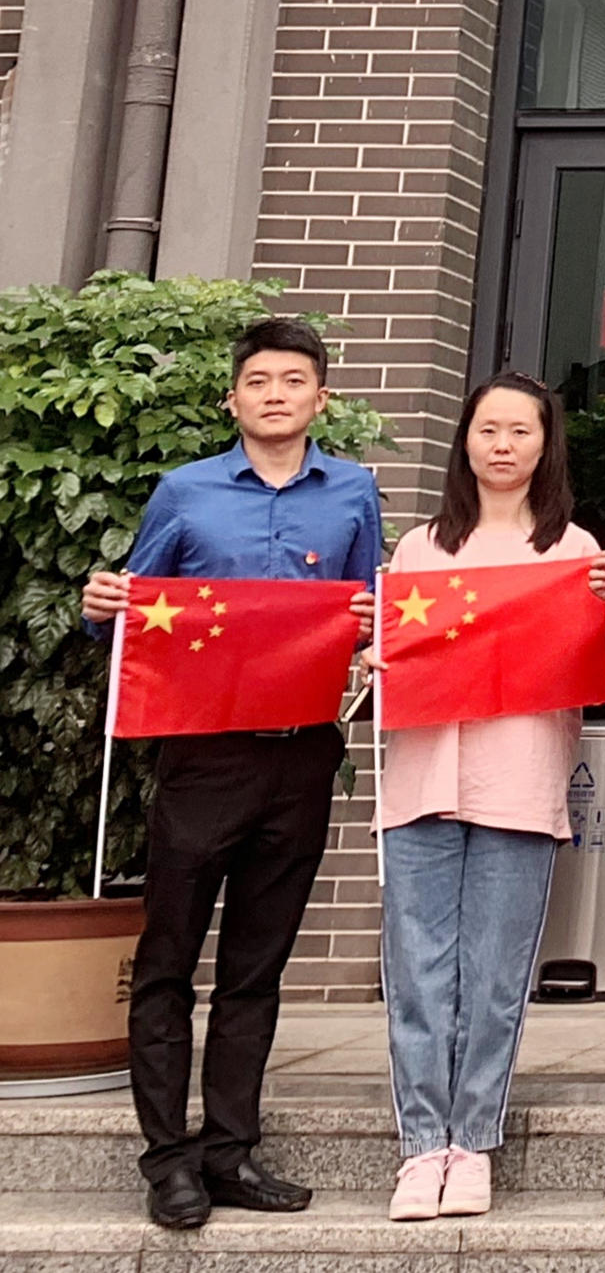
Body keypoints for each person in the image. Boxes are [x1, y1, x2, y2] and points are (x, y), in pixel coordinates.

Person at [82, 318, 382, 1232]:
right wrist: (102, 606)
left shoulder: (354, 492)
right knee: (169, 959)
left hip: (300, 754)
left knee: (257, 967)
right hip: (202, 751)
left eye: (293, 380)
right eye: (258, 381)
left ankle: (229, 1150)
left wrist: (371, 628)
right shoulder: (186, 491)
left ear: (321, 398)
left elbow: (363, 616)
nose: (275, 394)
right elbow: (132, 614)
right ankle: (167, 1160)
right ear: (233, 400)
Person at [376, 372, 603, 1221]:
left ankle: (472, 1142)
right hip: (422, 781)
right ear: (464, 440)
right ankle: (419, 1146)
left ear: (546, 446)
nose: (502, 445)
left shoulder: (574, 552)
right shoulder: (419, 549)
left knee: (495, 979)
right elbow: (395, 651)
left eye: (521, 431)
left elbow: (598, 664)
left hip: (518, 782)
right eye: (488, 430)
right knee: (418, 976)